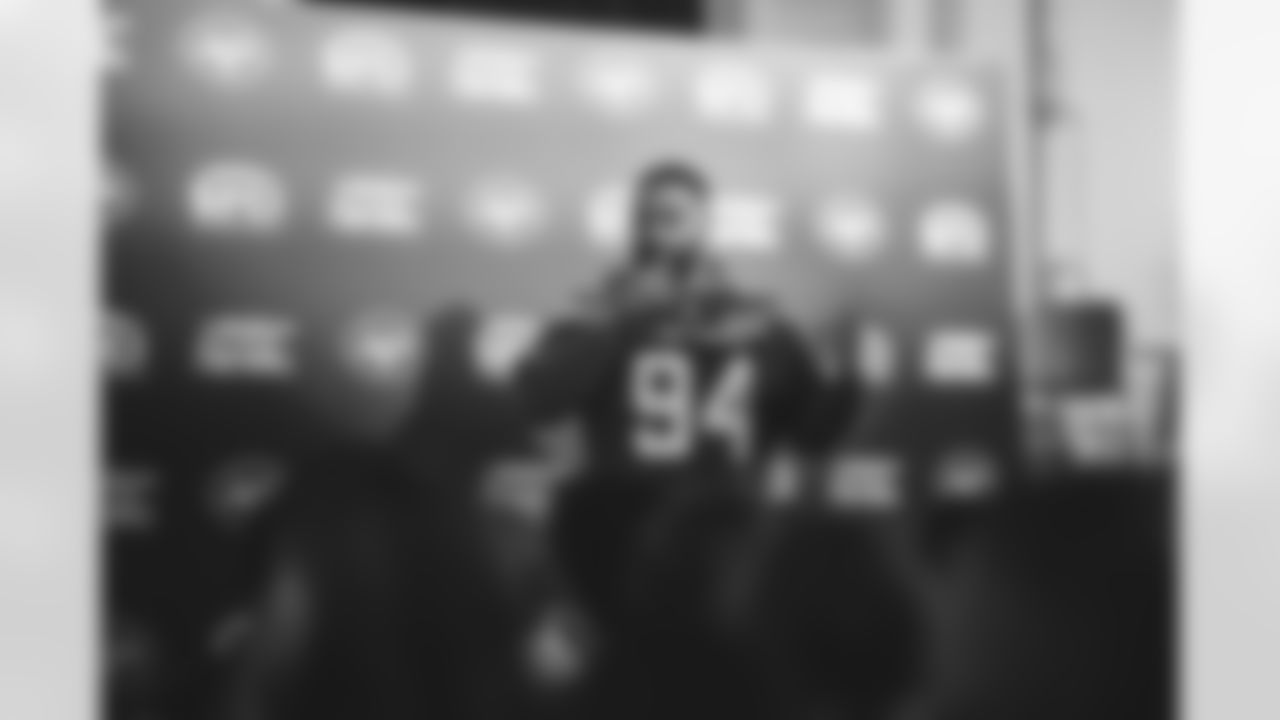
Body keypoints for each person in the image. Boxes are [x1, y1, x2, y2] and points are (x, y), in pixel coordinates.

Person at [508, 160, 863, 715]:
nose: (660, 225)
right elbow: (538, 396)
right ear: (633, 222)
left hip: (727, 550)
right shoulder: (598, 312)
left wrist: (846, 378)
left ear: (705, 223)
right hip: (625, 549)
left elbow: (811, 435)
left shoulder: (757, 321)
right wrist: (622, 323)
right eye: (649, 213)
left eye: (675, 213)